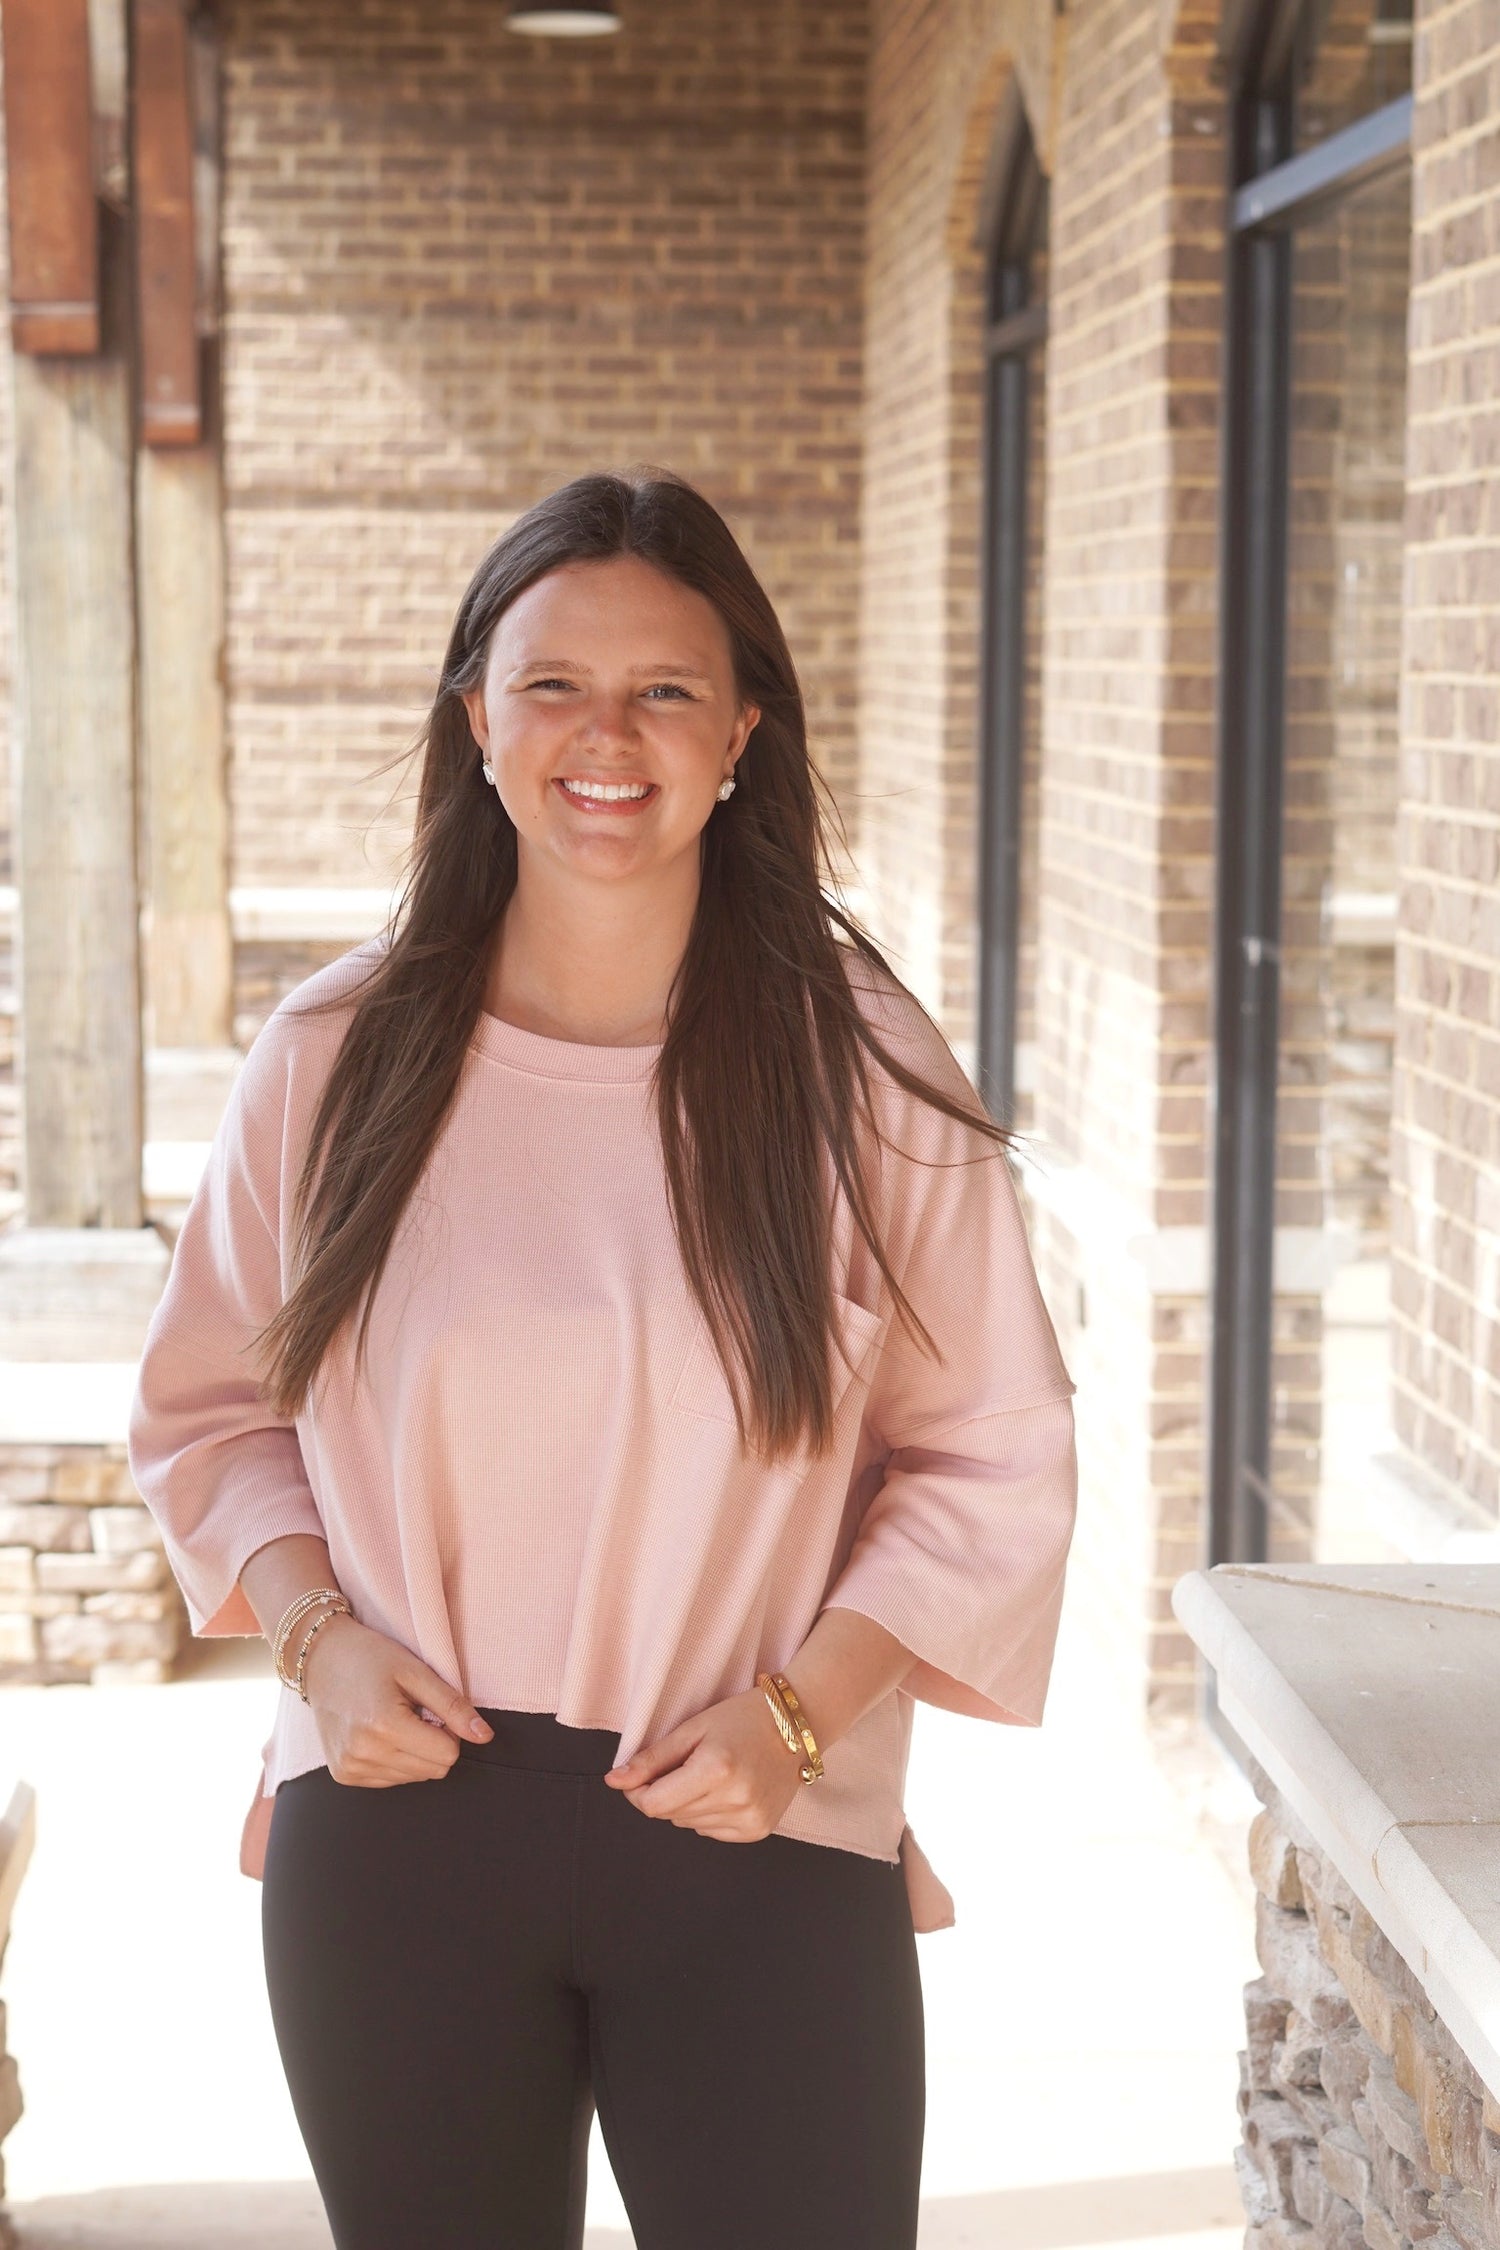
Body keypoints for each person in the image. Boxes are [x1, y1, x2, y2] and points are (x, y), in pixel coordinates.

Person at [128, 466, 1078, 2250]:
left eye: (665, 689)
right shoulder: (332, 1054)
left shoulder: (860, 1067)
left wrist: (804, 1715)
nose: (604, 737)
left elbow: (991, 1457)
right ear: (477, 713)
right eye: (552, 683)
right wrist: (318, 1646)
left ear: (741, 733)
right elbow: (211, 1412)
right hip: (397, 1836)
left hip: (758, 1827)